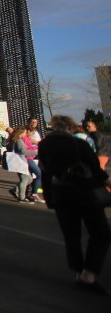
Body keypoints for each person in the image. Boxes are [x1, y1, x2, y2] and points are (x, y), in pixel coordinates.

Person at [38, 115, 111, 295]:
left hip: (60, 193)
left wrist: (50, 198)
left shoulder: (44, 145)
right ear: (70, 128)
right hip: (84, 192)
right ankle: (90, 273)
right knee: (100, 233)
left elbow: (45, 172)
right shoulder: (78, 144)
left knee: (72, 235)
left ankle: (79, 272)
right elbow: (96, 170)